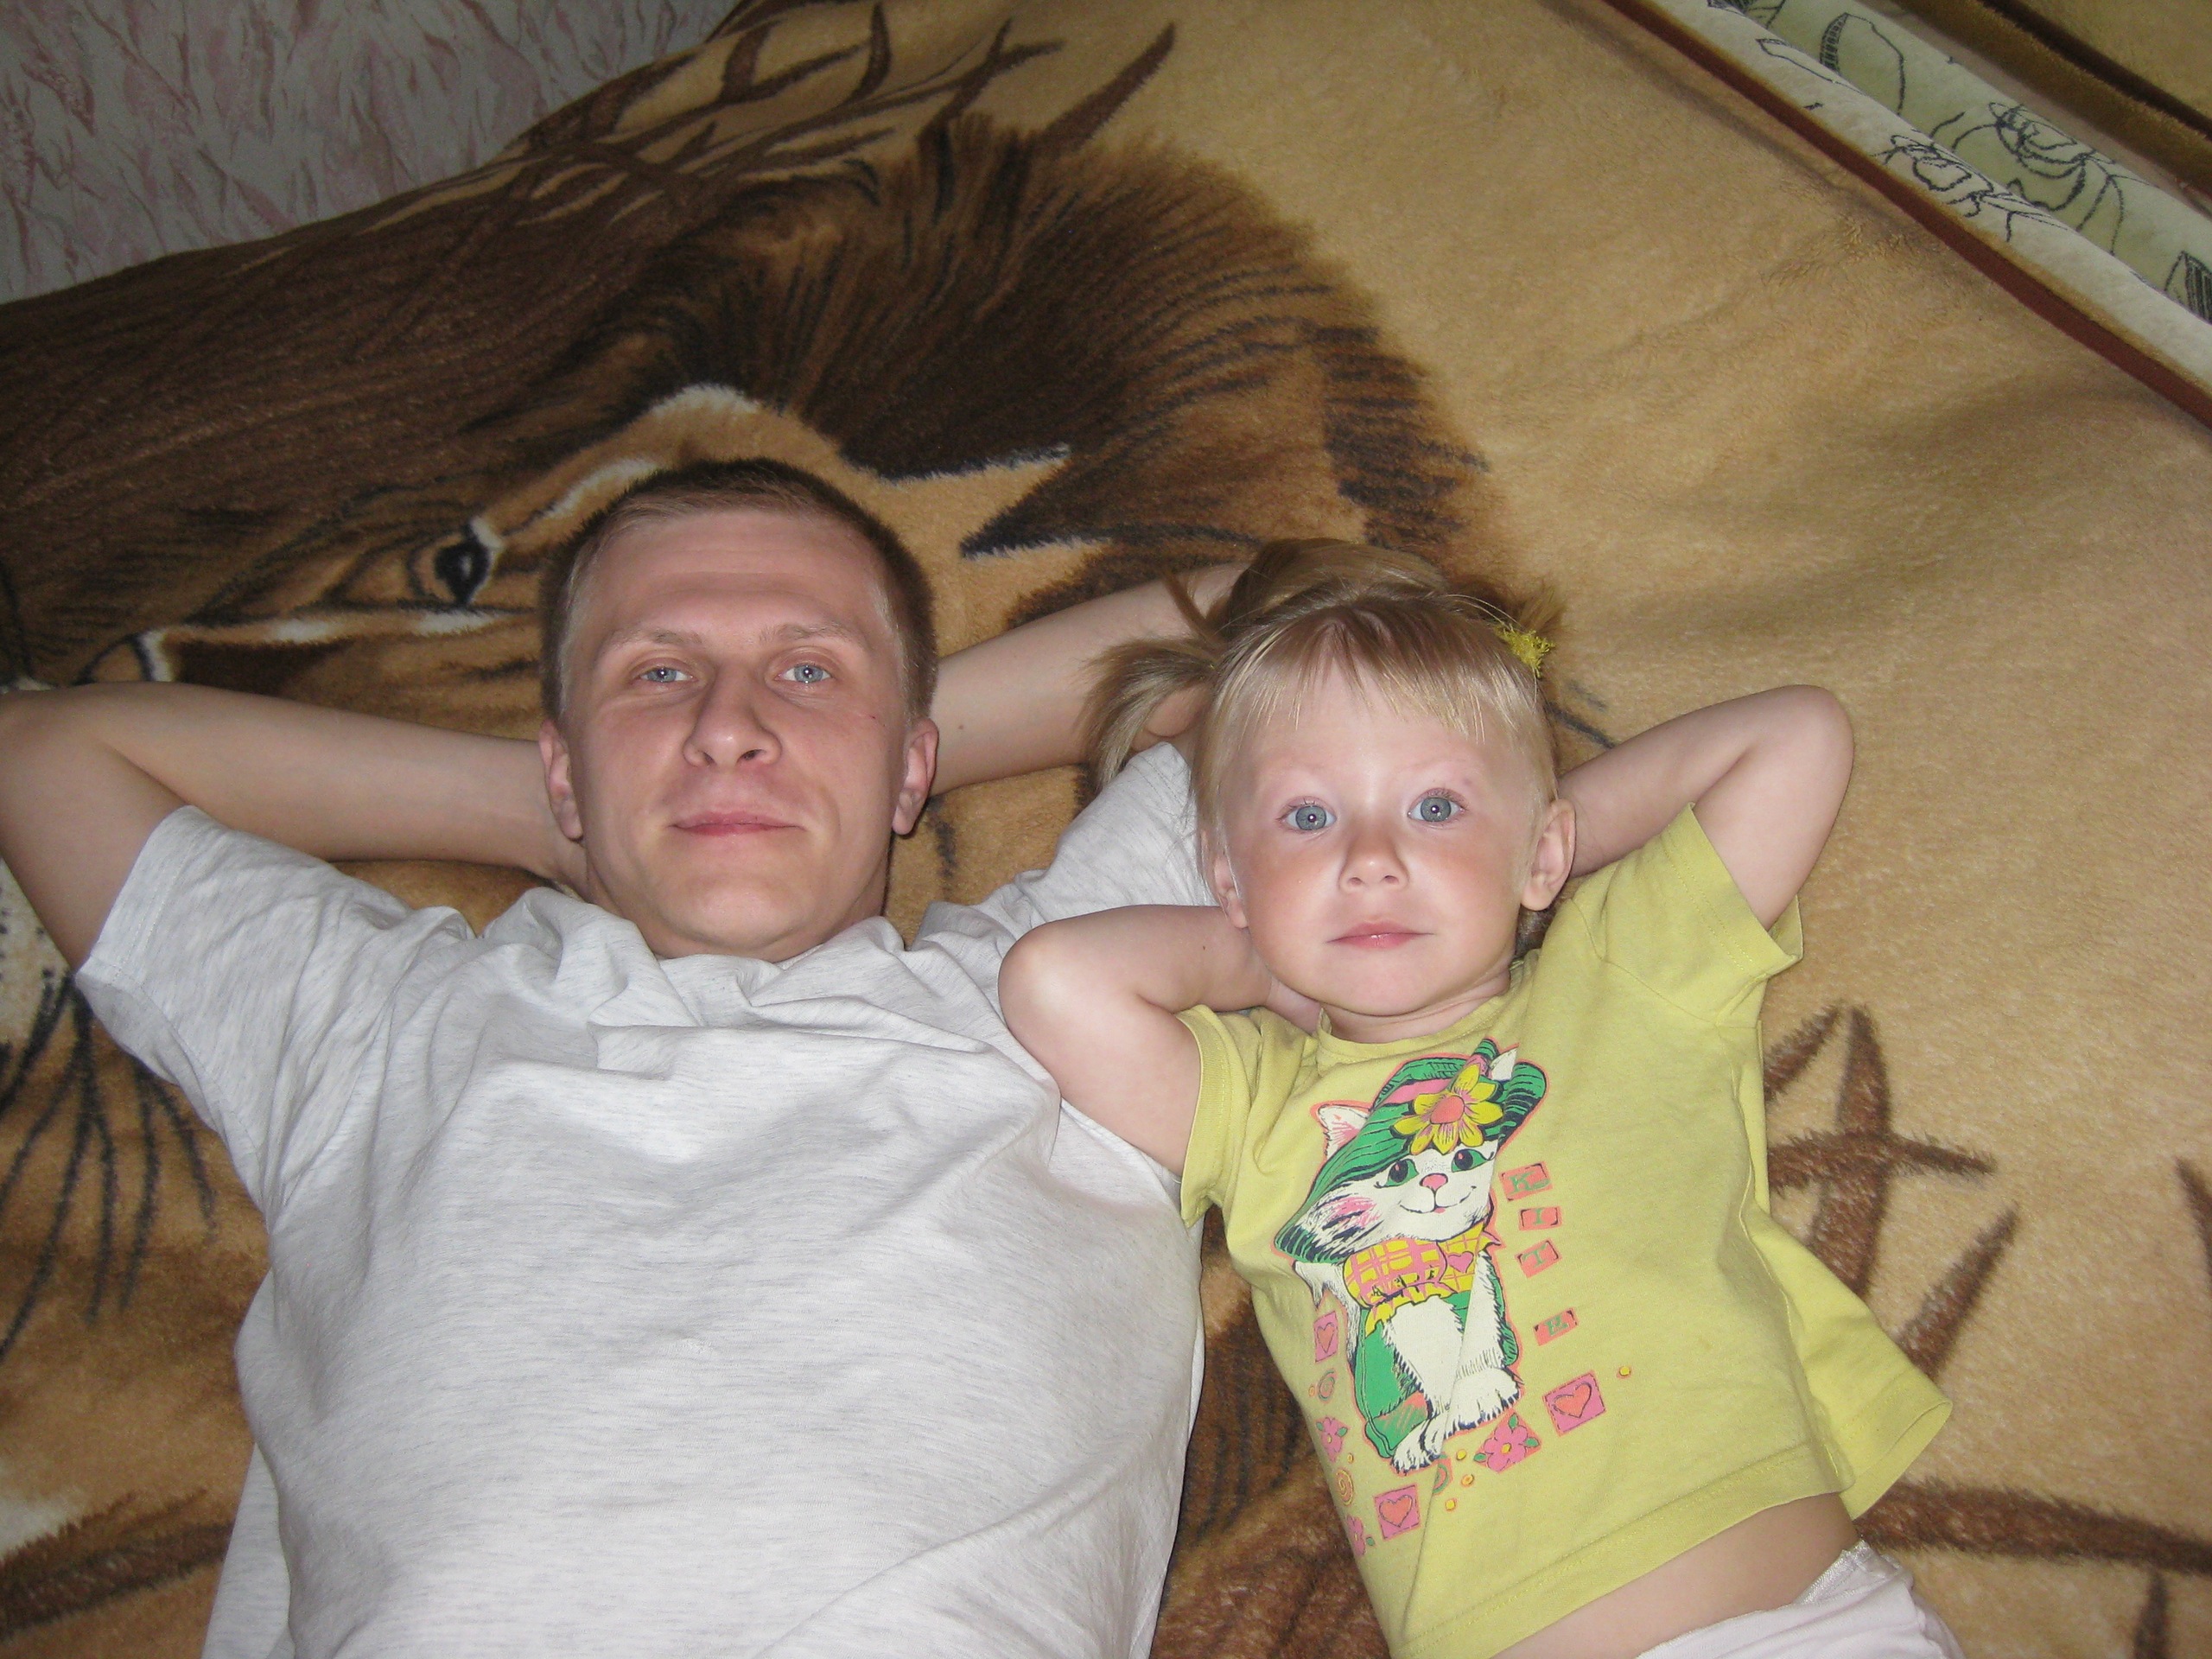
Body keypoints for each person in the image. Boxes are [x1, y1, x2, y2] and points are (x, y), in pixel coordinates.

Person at [0, 458, 1242, 1658]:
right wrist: (570, 814)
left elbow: (1280, 626)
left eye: (807, 670)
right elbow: (43, 757)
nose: (726, 727)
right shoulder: (381, 1028)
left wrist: (849, 764)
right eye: (660, 675)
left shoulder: (1072, 1000)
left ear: (916, 761)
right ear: (564, 765)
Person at [999, 541, 1960, 1659]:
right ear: (1227, 876)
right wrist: (1260, 962)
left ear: (1547, 849)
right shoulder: (1260, 1108)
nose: (1371, 858)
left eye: (1435, 804)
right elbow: (1054, 982)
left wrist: (1530, 857)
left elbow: (1796, 736)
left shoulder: (1621, 972)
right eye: (1307, 819)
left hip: (1790, 1630)